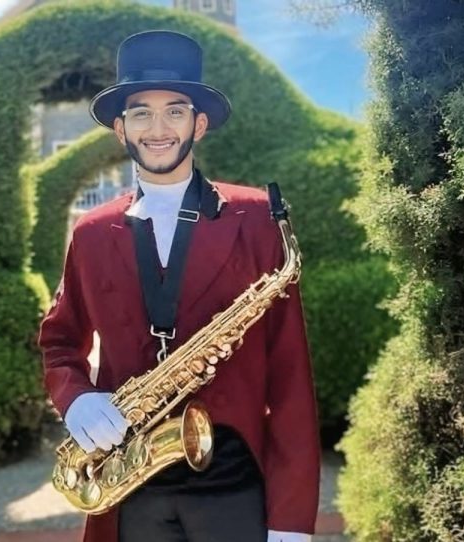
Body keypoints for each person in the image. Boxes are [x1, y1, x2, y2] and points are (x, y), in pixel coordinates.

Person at [39, 30, 320, 542]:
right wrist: (76, 398)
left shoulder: (256, 217)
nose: (158, 128)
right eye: (141, 113)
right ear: (121, 129)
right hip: (129, 484)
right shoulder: (91, 232)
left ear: (199, 123)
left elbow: (291, 375)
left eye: (175, 111)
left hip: (234, 478)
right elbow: (60, 342)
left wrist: (291, 521)